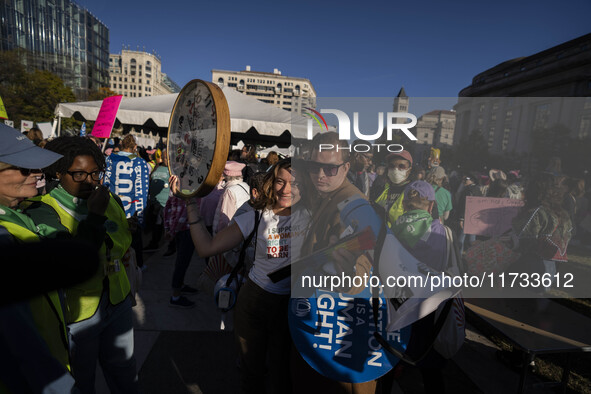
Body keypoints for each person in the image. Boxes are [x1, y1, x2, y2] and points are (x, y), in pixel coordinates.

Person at [176, 158, 306, 393]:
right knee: (251, 370)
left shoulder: (312, 216)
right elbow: (206, 248)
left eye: (295, 183)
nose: (286, 189)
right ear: (271, 182)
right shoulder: (255, 216)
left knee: (283, 372)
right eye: (280, 181)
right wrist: (190, 204)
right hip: (254, 301)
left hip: (291, 305)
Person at [25, 136, 139, 393]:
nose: (89, 181)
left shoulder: (110, 200)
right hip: (79, 314)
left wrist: (121, 251)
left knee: (125, 374)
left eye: (95, 173)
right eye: (78, 174)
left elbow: (122, 240)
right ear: (58, 172)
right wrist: (95, 217)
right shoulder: (44, 210)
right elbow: (72, 261)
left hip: (117, 300)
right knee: (82, 380)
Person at [294, 132, 375, 394]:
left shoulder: (352, 205)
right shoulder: (330, 193)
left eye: (330, 168)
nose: (320, 174)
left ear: (346, 167)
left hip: (338, 323)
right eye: (314, 167)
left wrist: (346, 274)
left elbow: (356, 277)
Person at [0, 123, 76, 393]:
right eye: (24, 168)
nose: (37, 174)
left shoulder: (29, 209)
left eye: (38, 166)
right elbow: (21, 344)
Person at [390, 180, 448, 394]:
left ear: (405, 204)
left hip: (397, 295)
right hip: (424, 300)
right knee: (425, 352)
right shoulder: (435, 228)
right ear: (431, 206)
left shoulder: (395, 226)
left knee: (399, 339)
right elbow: (435, 266)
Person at [103, 134, 151, 269]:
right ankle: (137, 266)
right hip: (130, 212)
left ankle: (114, 265)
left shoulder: (110, 159)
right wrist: (141, 217)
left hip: (111, 210)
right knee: (133, 243)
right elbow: (142, 190)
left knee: (112, 241)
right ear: (135, 147)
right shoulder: (140, 162)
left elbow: (104, 184)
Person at [371, 150, 414, 227]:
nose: (395, 169)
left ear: (409, 170)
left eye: (401, 166)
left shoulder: (414, 192)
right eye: (392, 166)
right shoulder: (381, 188)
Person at [145, 148, 170, 251]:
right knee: (154, 224)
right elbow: (151, 178)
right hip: (153, 201)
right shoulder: (157, 166)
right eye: (163, 157)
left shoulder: (173, 169)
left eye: (166, 157)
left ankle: (160, 245)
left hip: (165, 203)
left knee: (161, 225)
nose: (164, 159)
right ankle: (154, 243)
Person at [455, 173, 482, 255]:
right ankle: (472, 255)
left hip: (466, 217)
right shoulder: (478, 190)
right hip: (475, 217)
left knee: (461, 238)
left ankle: (459, 255)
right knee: (472, 239)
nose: (464, 180)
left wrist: (461, 218)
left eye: (466, 179)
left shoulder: (467, 190)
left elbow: (463, 205)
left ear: (472, 180)